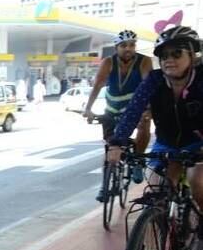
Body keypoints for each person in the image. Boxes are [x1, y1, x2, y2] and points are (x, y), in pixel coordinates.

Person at [108, 26, 203, 205]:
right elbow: (133, 110)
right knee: (156, 188)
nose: (169, 60)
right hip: (166, 142)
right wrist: (117, 143)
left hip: (198, 143)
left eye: (176, 53)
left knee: (197, 181)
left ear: (192, 55)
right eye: (164, 56)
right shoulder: (154, 79)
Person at [84, 29, 153, 200]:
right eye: (123, 45)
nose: (128, 48)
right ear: (116, 47)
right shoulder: (108, 62)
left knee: (145, 125)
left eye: (132, 45)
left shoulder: (144, 61)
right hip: (112, 110)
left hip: (134, 109)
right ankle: (104, 185)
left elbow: (148, 85)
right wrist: (88, 108)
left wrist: (148, 109)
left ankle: (137, 160)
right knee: (109, 148)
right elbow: (98, 85)